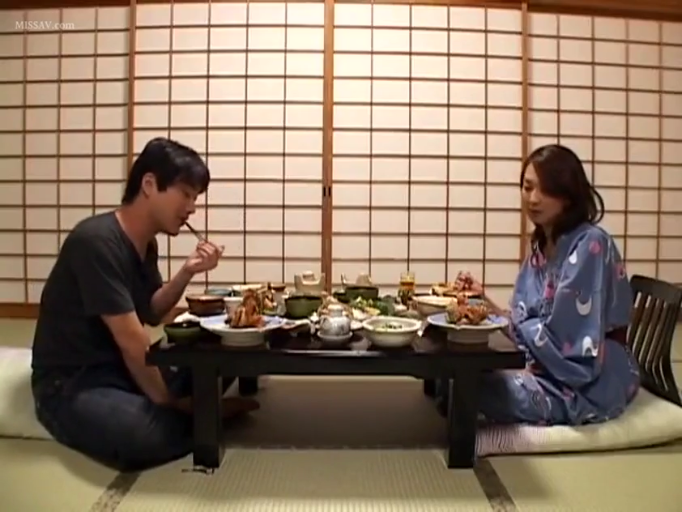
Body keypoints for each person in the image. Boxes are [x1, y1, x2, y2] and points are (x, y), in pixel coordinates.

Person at [31, 137, 259, 471]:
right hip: (76, 382)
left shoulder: (146, 243)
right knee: (143, 436)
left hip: (124, 370)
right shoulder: (96, 242)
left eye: (195, 198)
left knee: (222, 358)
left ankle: (195, 412)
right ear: (149, 184)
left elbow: (153, 312)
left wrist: (187, 271)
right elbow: (131, 340)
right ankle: (202, 416)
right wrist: (174, 403)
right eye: (186, 194)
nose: (192, 208)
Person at [471, 144, 640, 425]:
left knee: (473, 388)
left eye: (546, 190)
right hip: (546, 364)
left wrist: (527, 359)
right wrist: (484, 302)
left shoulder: (591, 244)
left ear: (568, 196)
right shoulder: (541, 245)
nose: (533, 199)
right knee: (457, 378)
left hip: (589, 379)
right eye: (527, 187)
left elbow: (570, 345)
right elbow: (526, 322)